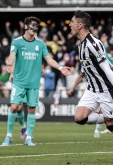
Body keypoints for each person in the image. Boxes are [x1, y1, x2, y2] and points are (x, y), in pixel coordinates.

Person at [69, 10, 113, 164]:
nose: (70, 25)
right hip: (92, 89)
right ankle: (109, 117)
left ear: (80, 25)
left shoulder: (94, 43)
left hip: (106, 90)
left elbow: (104, 66)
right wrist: (111, 65)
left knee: (112, 125)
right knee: (79, 118)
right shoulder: (81, 46)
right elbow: (103, 60)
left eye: (72, 22)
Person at [2, 16, 71, 146]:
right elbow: (12, 56)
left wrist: (61, 67)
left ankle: (28, 138)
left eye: (36, 26)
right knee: (14, 107)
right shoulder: (16, 42)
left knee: (32, 109)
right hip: (19, 81)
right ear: (25, 26)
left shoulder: (40, 44)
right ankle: (8, 136)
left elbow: (49, 59)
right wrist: (9, 65)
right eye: (32, 25)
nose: (34, 28)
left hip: (33, 82)